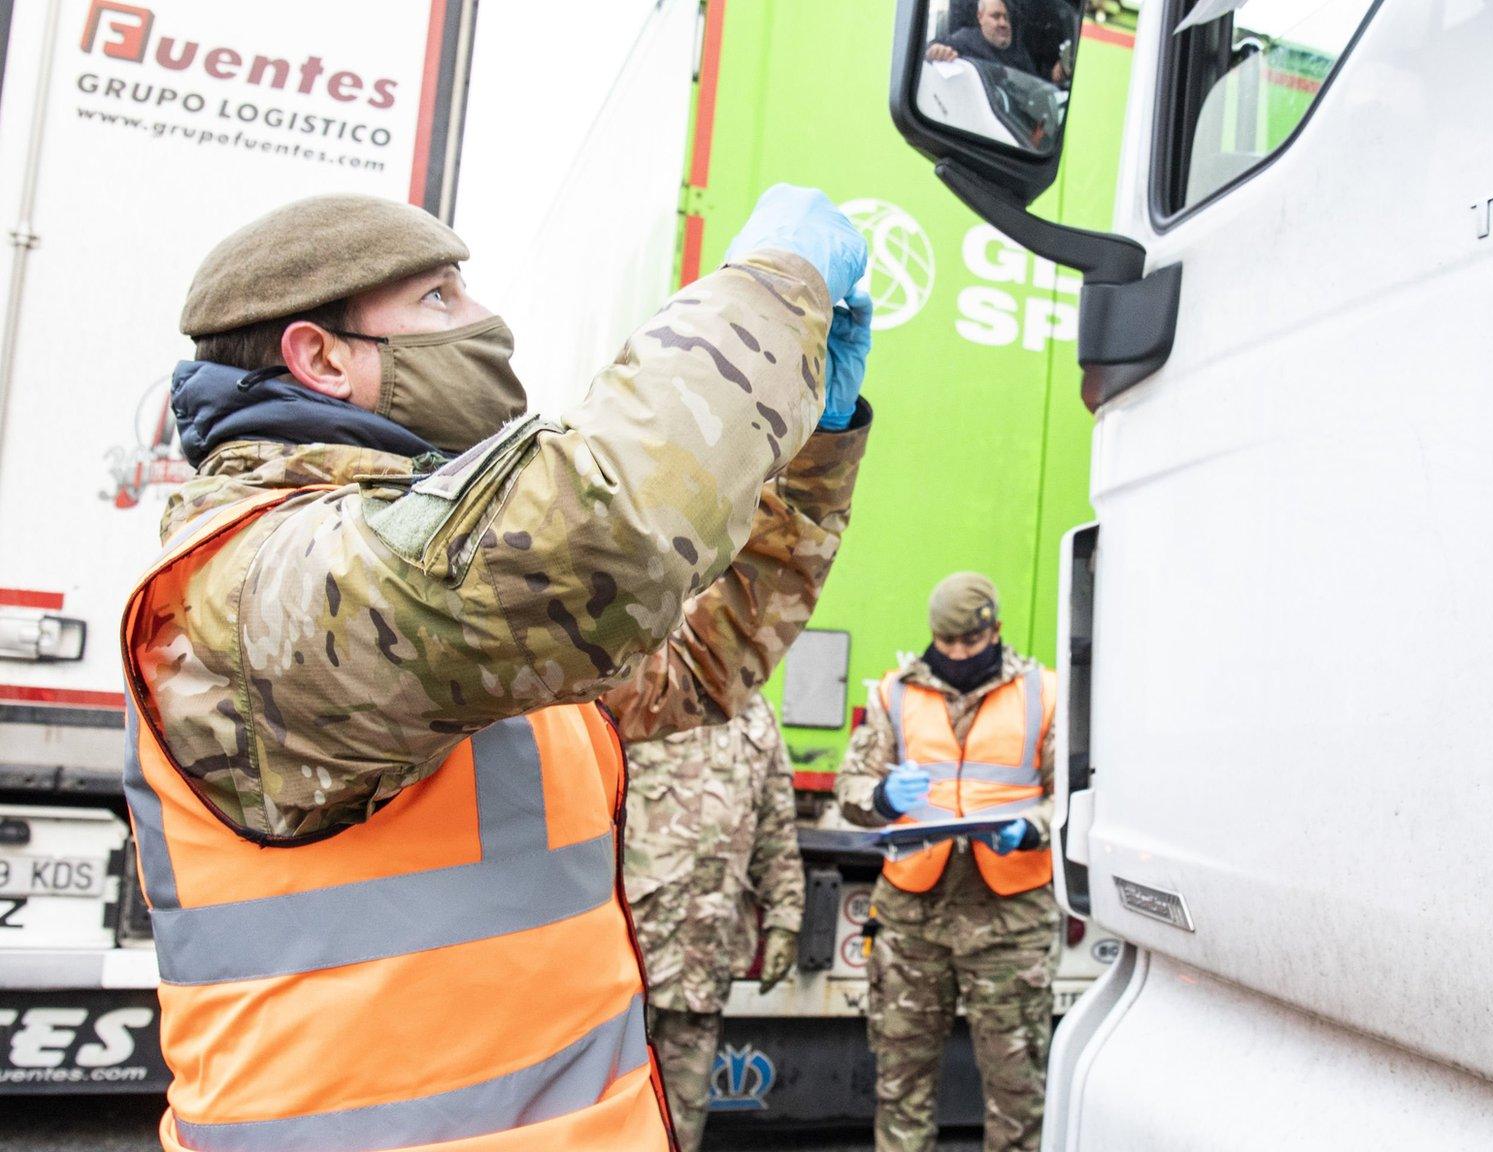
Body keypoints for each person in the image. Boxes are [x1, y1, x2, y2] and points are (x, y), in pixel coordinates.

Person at [120, 185, 871, 1151]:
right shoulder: (255, 581)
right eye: (439, 298)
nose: (484, 321)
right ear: (321, 357)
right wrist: (771, 293)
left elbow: (698, 663)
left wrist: (813, 454)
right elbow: (609, 537)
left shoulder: (452, 589)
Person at [836, 573, 1060, 1152]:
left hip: (1009, 918)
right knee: (900, 1083)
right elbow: (852, 785)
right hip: (914, 916)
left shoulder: (1045, 693)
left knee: (1018, 1092)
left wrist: (1031, 829)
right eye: (947, 642)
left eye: (970, 643)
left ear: (995, 632)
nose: (957, 654)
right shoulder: (894, 693)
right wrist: (882, 798)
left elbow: (1075, 798)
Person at [627, 693, 805, 1150]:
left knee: (684, 1112)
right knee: (612, 1103)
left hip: (705, 951)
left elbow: (775, 826)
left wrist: (785, 917)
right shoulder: (642, 690)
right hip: (630, 951)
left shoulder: (757, 716)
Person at [926, 0, 1040, 76]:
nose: (1003, 23)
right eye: (996, 16)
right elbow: (934, 47)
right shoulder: (966, 41)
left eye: (1006, 18)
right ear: (980, 17)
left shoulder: (1019, 51)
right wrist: (936, 50)